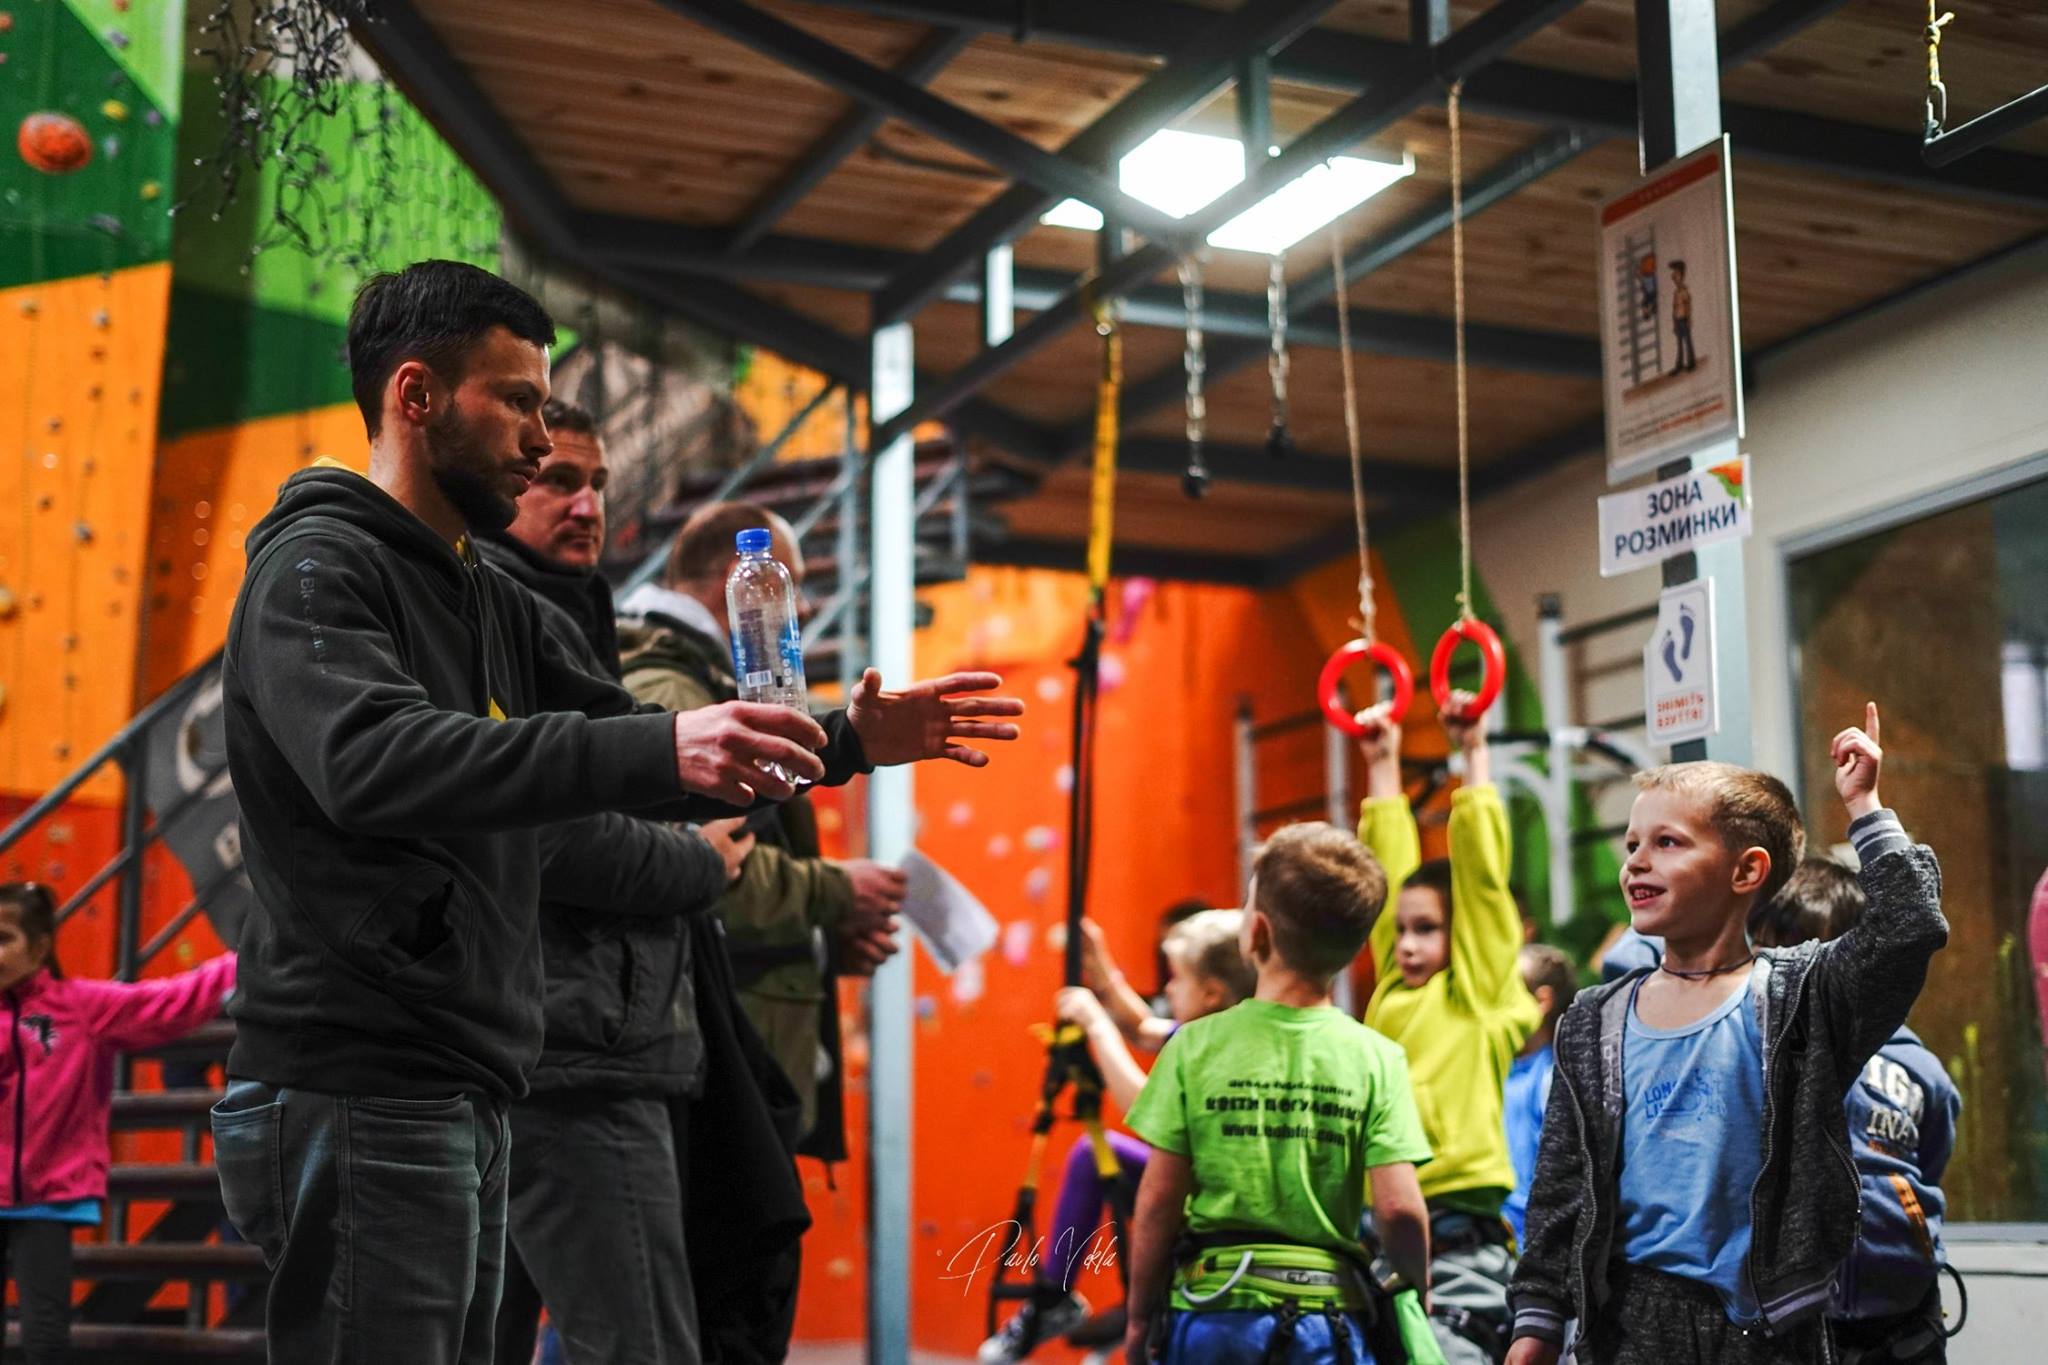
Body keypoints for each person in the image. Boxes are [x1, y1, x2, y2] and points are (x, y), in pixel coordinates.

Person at [210, 260, 1023, 1364]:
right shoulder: (317, 570)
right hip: (360, 1070)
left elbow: (634, 751)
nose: (544, 443)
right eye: (518, 403)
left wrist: (841, 742)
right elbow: (371, 761)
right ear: (414, 396)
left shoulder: (487, 594)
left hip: (473, 1069)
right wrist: (665, 750)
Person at [1507, 704, 1949, 1365]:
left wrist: (1867, 808)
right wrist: (1533, 1332)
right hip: (1628, 1328)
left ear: (1746, 871)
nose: (1636, 862)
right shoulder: (1593, 1020)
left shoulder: (1798, 997)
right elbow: (1560, 1193)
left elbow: (1910, 927)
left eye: (1668, 842)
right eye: (1632, 843)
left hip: (1768, 1332)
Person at [475, 397, 757, 1365]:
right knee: (639, 1345)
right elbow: (541, 833)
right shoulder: (497, 617)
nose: (587, 504)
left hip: (548, 1037)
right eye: (558, 479)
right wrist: (697, 860)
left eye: (597, 482)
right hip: (577, 1048)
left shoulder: (569, 618)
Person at [617, 501, 907, 1153]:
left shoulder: (708, 680)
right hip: (716, 1054)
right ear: (738, 576)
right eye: (792, 584)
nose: (800, 609)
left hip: (741, 1040)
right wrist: (835, 892)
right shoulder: (673, 687)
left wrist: (822, 941)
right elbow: (710, 872)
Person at [1120, 824, 1432, 1365]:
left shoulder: (1195, 1046)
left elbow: (1156, 1204)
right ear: (1357, 946)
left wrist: (1140, 1315)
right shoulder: (1376, 1057)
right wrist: (1415, 1299)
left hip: (1212, 1314)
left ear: (1256, 933)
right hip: (1328, 1324)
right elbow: (1401, 1210)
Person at [980, 909, 1254, 1362]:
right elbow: (1144, 1027)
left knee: (1098, 1153)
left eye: (1176, 979)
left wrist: (1096, 1025)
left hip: (1211, 1209)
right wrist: (1102, 972)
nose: (1166, 989)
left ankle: (1104, 1307)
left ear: (1211, 993)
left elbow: (1146, 1109)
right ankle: (1056, 1296)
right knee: (1091, 1156)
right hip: (1193, 1192)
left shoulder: (1225, 1049)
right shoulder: (1207, 1029)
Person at [1357, 694, 1542, 1364]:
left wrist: (1474, 753)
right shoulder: (1390, 993)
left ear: (1461, 935)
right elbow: (1380, 880)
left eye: (1427, 929)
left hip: (1457, 1229)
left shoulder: (1476, 996)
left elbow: (1484, 884)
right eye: (1402, 930)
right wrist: (1381, 764)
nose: (1406, 944)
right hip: (1377, 1227)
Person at [0, 882, 236, 1364]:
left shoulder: (79, 1008)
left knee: (45, 1338)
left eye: (4, 937)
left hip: (47, 1199)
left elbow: (170, 1001)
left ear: (42, 947)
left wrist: (247, 956)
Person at [1751, 857, 1961, 1365]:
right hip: (1796, 1320)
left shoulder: (1913, 1067)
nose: (1786, 971)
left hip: (1905, 1317)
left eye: (1805, 950)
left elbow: (1932, 1152)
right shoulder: (1749, 1055)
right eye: (1770, 952)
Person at [1502, 945, 1575, 1247]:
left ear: (1541, 1001)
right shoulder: (1495, 1066)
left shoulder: (1553, 1077)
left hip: (1524, 1249)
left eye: (1505, 991)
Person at [1668, 260, 1695, 374]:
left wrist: (1688, 319)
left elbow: (1688, 305)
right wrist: (1674, 322)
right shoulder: (1676, 292)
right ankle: (1679, 364)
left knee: (1687, 341)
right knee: (1679, 343)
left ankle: (1691, 362)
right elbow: (1674, 308)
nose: (1674, 277)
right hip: (1678, 319)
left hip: (1684, 319)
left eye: (1677, 274)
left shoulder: (1684, 291)